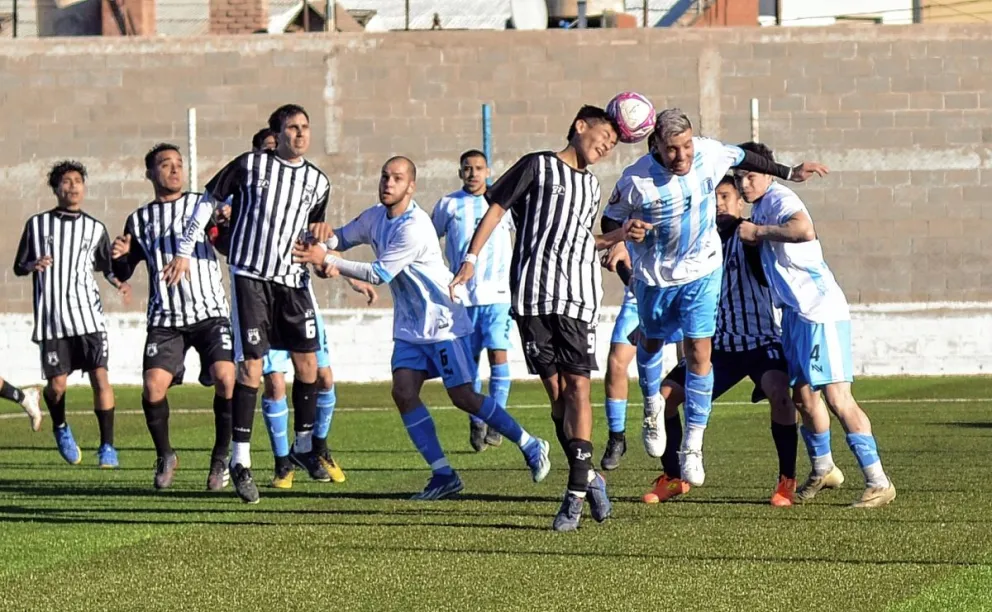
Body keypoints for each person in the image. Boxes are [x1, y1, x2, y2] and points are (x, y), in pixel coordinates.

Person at [293, 156, 551, 500]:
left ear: (411, 187)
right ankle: (443, 474)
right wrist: (323, 243)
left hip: (443, 321)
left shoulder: (413, 226)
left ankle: (531, 444)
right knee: (403, 391)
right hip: (411, 328)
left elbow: (379, 274)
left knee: (463, 397)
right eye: (385, 176)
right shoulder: (374, 217)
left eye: (397, 178)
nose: (388, 183)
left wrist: (326, 260)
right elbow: (341, 238)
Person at [602, 109, 827, 489]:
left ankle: (762, 471)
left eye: (687, 145)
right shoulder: (637, 181)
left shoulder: (745, 226)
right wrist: (622, 237)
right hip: (681, 302)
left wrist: (788, 173)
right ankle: (664, 450)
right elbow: (612, 221)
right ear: (656, 144)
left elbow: (745, 157)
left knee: (752, 380)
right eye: (673, 149)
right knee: (660, 370)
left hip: (739, 320)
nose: (683, 155)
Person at [449, 105, 648, 532]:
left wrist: (618, 235)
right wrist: (470, 258)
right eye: (604, 137)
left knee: (578, 386)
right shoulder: (537, 166)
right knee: (557, 395)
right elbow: (497, 209)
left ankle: (574, 496)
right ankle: (590, 476)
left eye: (614, 144)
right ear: (580, 126)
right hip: (533, 297)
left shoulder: (592, 187)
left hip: (578, 298)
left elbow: (582, 238)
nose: (607, 146)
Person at [164, 104, 332, 504]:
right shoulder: (251, 165)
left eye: (305, 127)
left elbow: (313, 230)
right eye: (292, 127)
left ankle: (304, 445)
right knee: (252, 368)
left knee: (308, 364)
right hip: (251, 278)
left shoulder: (318, 182)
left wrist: (323, 254)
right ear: (278, 133)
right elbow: (207, 201)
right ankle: (240, 460)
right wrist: (185, 249)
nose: (301, 134)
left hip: (293, 281)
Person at [735, 142, 896, 508]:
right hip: (795, 314)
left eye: (751, 176)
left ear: (768, 174)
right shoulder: (760, 205)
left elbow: (803, 229)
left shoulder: (778, 198)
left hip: (819, 310)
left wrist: (758, 233)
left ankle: (878, 481)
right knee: (803, 396)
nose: (745, 184)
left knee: (838, 397)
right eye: (740, 177)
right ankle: (824, 468)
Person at [642, 176, 800, 506]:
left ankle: (787, 480)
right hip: (718, 348)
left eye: (725, 196)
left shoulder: (752, 236)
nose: (719, 204)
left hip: (760, 341)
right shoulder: (699, 242)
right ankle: (673, 477)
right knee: (665, 398)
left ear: (739, 201)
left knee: (780, 395)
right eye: (713, 199)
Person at [111, 143, 236, 491]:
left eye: (178, 164)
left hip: (210, 312)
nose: (174, 170)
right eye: (165, 165)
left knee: (226, 376)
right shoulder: (139, 219)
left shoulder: (202, 206)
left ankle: (220, 457)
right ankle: (166, 454)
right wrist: (119, 256)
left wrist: (224, 225)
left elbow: (224, 244)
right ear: (150, 173)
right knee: (153, 387)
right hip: (166, 319)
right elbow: (124, 268)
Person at [13, 160, 130, 467]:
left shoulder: (95, 228)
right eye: (66, 181)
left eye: (78, 180)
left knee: (100, 377)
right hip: (52, 320)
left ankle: (108, 447)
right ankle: (61, 426)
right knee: (57, 386)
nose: (73, 186)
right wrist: (32, 265)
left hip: (87, 316)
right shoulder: (37, 225)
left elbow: (106, 267)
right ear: (56, 188)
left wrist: (120, 282)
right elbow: (19, 265)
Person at [431, 149, 513, 452]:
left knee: (498, 355)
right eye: (467, 168)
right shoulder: (449, 205)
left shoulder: (504, 203)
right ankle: (477, 419)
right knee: (468, 366)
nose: (473, 173)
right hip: (462, 298)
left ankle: (497, 421)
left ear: (488, 171)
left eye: (479, 168)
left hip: (498, 296)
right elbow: (429, 240)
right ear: (460, 172)